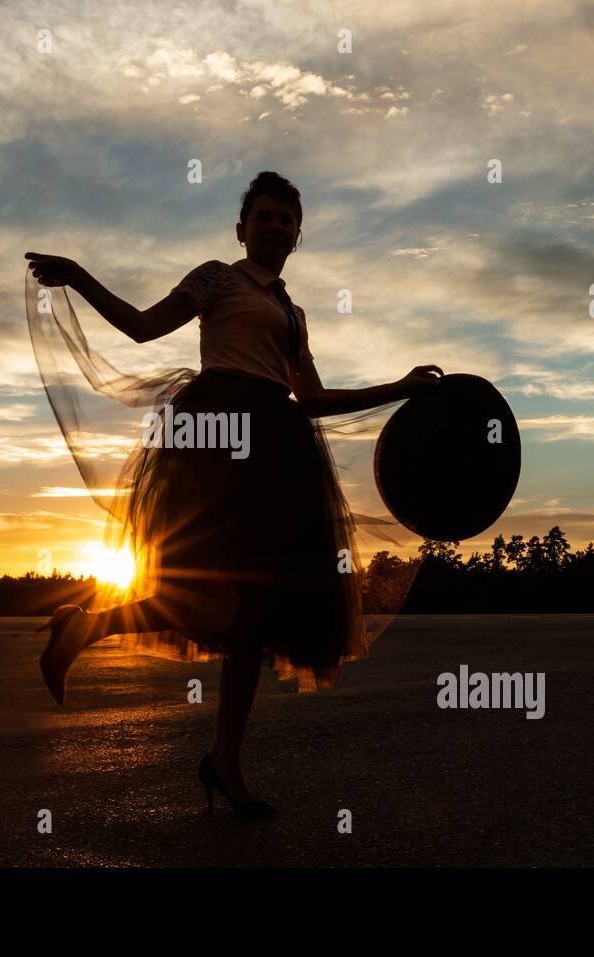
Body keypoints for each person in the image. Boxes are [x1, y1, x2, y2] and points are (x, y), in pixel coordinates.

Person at [25, 171, 441, 818]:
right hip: (214, 440)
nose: (275, 226)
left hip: (279, 448)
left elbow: (313, 399)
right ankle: (86, 625)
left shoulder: (293, 315)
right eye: (264, 216)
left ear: (297, 235)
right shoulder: (216, 278)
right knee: (206, 592)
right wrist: (78, 274)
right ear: (242, 228)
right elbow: (140, 326)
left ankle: (225, 759)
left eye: (286, 219)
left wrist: (401, 387)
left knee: (254, 615)